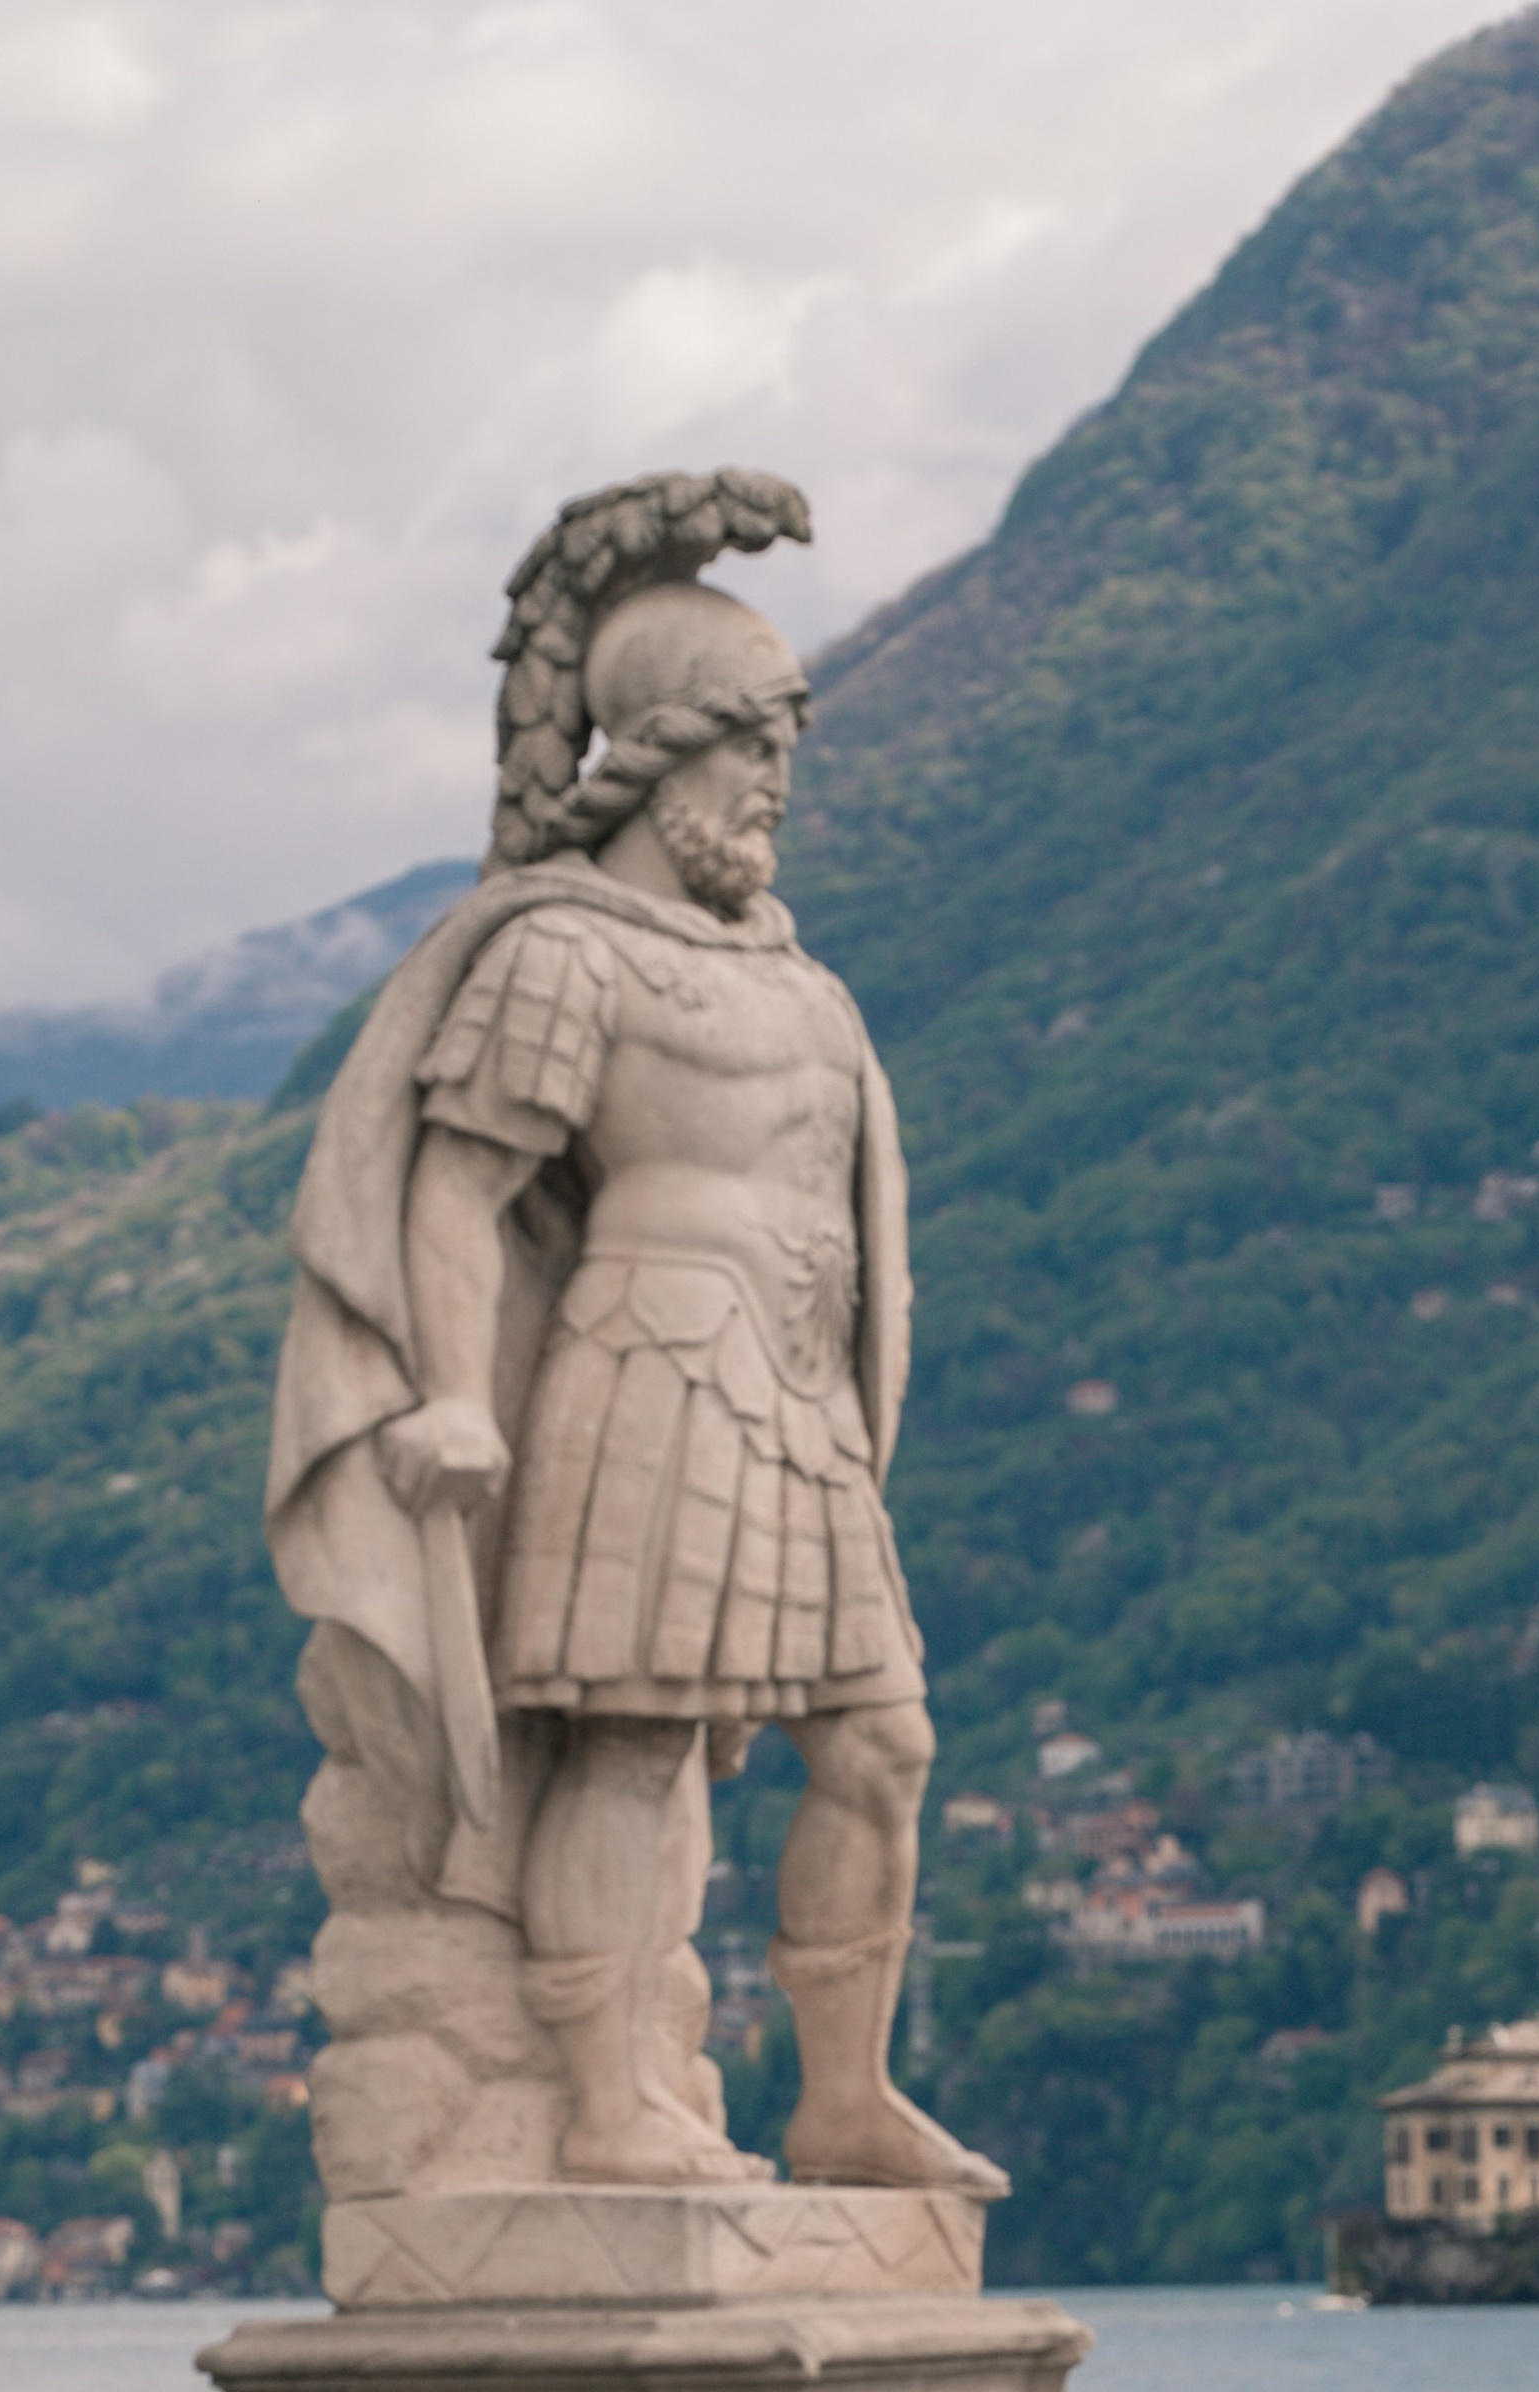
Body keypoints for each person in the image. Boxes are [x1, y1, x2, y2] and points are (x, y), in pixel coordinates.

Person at [268, 466, 1005, 2204]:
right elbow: (455, 1190)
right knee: (629, 1739)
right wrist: (454, 1393)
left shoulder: (792, 974)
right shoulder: (564, 955)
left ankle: (840, 2096)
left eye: (780, 761)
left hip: (800, 1396)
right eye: (750, 757)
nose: (773, 795)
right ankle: (605, 2101)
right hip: (648, 1371)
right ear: (662, 758)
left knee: (884, 1742)